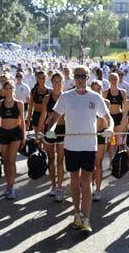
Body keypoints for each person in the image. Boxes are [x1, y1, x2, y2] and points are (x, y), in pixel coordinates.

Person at [50, 65, 113, 233]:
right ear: (73, 77)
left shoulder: (95, 97)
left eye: (83, 76)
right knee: (74, 181)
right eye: (77, 76)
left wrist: (110, 128)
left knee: (86, 182)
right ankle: (76, 214)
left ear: (88, 77)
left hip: (89, 146)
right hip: (71, 146)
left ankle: (86, 218)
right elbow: (54, 117)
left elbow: (108, 118)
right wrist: (50, 130)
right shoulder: (66, 97)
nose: (80, 79)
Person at [0, 80, 26, 199]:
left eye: (10, 88)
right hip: (3, 132)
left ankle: (12, 187)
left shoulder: (19, 104)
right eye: (6, 88)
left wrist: (23, 137)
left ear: (14, 89)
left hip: (15, 133)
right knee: (5, 160)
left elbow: (22, 121)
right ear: (3, 89)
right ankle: (7, 186)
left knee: (12, 160)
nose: (8, 90)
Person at [37, 72, 65, 201]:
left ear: (62, 83)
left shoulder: (66, 97)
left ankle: (59, 188)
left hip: (63, 130)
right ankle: (53, 185)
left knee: (60, 160)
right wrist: (39, 131)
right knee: (51, 159)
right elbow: (43, 115)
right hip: (49, 130)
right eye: (55, 81)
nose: (57, 84)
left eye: (59, 81)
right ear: (52, 82)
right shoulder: (47, 98)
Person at [89, 80, 109, 202]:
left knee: (98, 163)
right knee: (89, 163)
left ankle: (98, 189)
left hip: (101, 135)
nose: (96, 91)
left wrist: (108, 132)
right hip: (89, 135)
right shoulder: (87, 101)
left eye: (99, 89)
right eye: (94, 89)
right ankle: (89, 185)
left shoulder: (106, 102)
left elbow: (108, 120)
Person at [103, 72, 127, 164]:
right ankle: (111, 160)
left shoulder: (122, 92)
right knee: (111, 141)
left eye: (115, 79)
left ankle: (116, 160)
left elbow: (125, 108)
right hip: (110, 118)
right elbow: (103, 108)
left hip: (119, 118)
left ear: (118, 80)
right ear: (109, 80)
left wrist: (125, 122)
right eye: (112, 79)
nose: (113, 81)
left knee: (118, 141)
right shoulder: (105, 92)